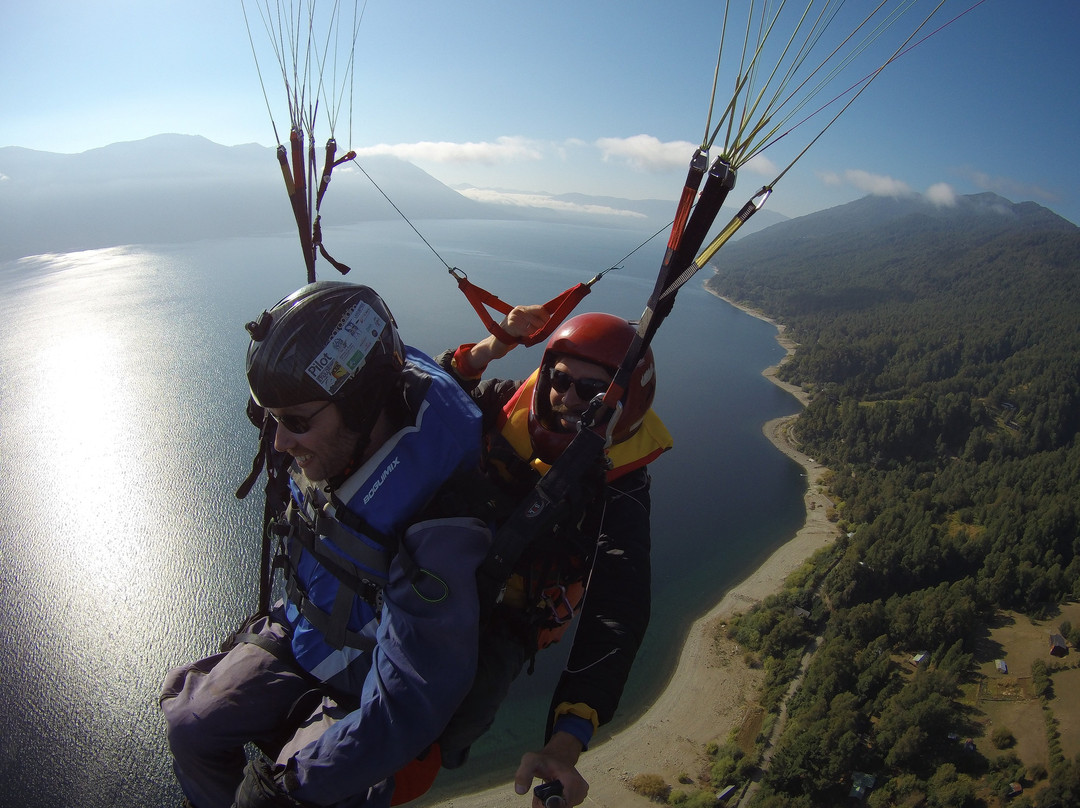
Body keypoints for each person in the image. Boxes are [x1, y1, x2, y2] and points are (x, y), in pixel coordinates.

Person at [160, 281, 495, 808]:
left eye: (295, 422)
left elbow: (410, 703)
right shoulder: (336, 449)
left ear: (361, 408)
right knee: (189, 724)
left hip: (364, 695)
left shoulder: (435, 522)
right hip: (303, 635)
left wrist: (290, 785)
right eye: (268, 417)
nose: (279, 442)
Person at [434, 305, 673, 807]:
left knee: (456, 719)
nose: (566, 398)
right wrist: (492, 347)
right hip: (436, 573)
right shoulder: (504, 406)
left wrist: (568, 739)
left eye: (591, 391)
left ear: (626, 404)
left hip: (506, 620)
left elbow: (618, 606)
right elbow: (430, 392)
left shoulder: (620, 485)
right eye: (558, 379)